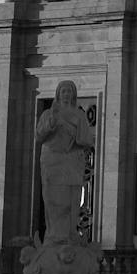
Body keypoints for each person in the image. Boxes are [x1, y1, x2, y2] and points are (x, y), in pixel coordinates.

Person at [36, 79, 94, 244]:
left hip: (72, 161)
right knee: (53, 200)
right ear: (58, 94)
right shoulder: (48, 114)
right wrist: (51, 123)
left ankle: (70, 234)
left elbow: (87, 140)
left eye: (69, 91)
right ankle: (53, 235)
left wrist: (76, 136)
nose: (67, 94)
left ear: (74, 95)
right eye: (64, 91)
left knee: (71, 200)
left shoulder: (80, 115)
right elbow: (39, 135)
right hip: (52, 161)